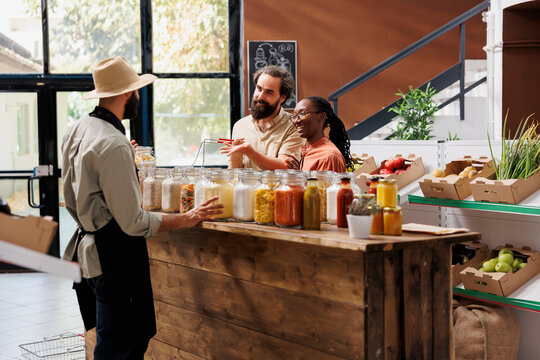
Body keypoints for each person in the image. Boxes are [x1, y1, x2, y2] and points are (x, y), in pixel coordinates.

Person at [61, 56, 223, 359]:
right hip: (114, 257)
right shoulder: (114, 142)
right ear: (126, 94)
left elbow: (77, 189)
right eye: (136, 91)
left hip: (88, 251)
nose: (138, 97)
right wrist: (187, 218)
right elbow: (133, 222)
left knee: (113, 338)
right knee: (122, 344)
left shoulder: (78, 128)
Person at [220, 65, 304, 170]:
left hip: (278, 187)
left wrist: (250, 152)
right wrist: (235, 156)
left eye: (269, 92)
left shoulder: (294, 126)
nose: (260, 96)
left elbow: (284, 166)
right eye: (259, 89)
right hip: (245, 186)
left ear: (282, 98)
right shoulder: (240, 126)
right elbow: (233, 171)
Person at [290, 96, 353, 172]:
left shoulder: (328, 157)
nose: (296, 121)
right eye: (294, 115)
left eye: (302, 113)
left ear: (321, 117)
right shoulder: (306, 151)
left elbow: (325, 184)